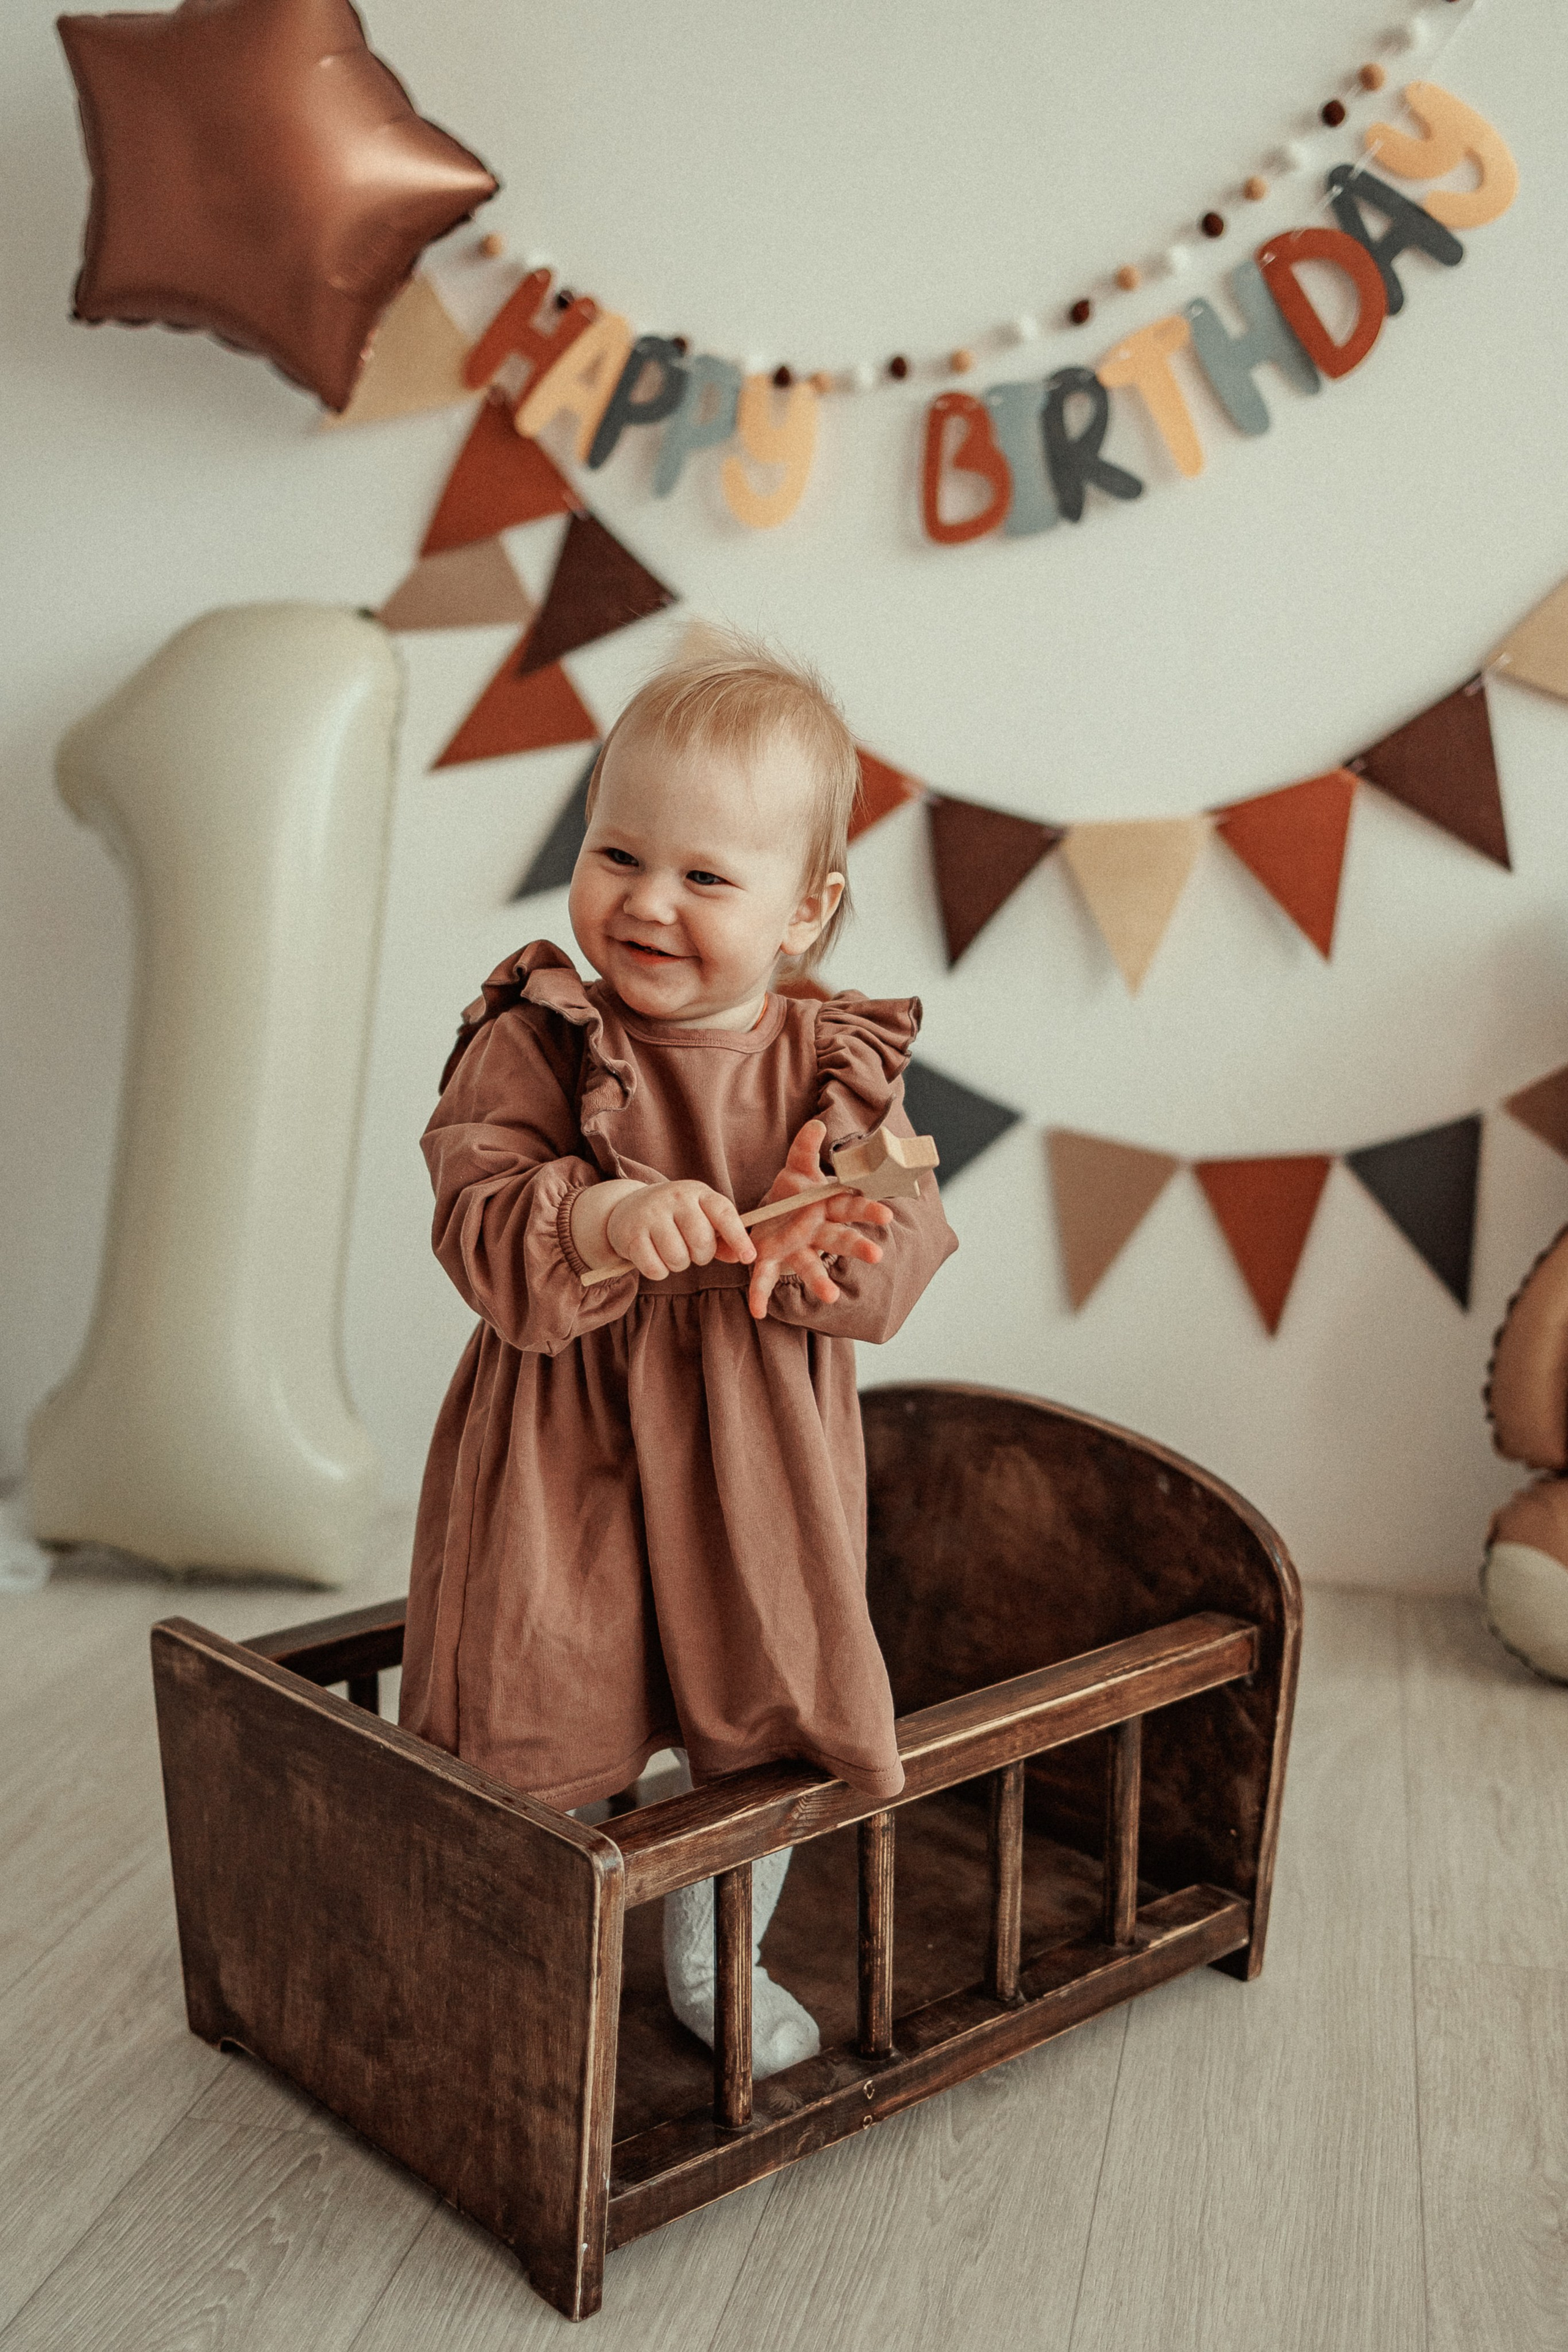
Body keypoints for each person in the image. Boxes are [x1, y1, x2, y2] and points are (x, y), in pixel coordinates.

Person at [399, 630, 958, 2073]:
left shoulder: (834, 1063)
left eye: (706, 877)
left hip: (753, 1458)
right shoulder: (539, 1036)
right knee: (537, 1701)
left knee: (763, 1715)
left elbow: (901, 1233)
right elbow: (473, 1210)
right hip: (561, 1451)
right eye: (616, 853)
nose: (646, 903)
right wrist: (596, 1215)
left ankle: (718, 1955)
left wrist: (837, 1246)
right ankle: (522, 1951)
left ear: (802, 909)